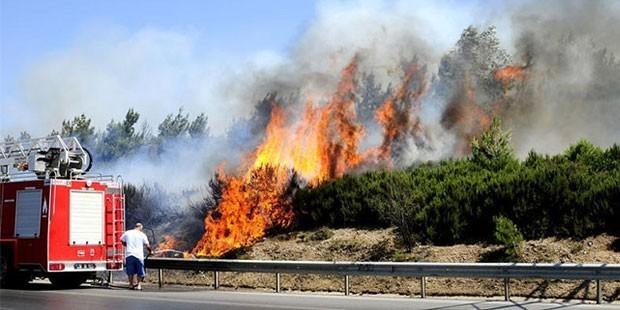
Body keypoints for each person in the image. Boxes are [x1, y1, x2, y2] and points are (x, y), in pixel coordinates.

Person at [120, 223, 152, 290]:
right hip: (139, 255)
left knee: (130, 271)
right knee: (140, 271)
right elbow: (147, 245)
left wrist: (126, 245)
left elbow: (121, 240)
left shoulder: (127, 233)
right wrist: (150, 251)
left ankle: (131, 284)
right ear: (140, 227)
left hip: (129, 254)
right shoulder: (142, 235)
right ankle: (139, 285)